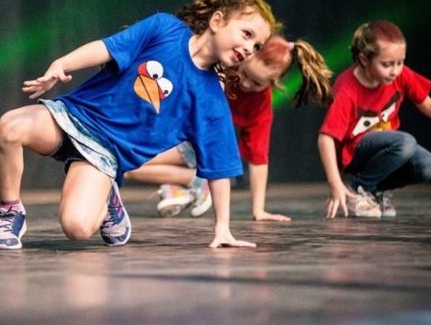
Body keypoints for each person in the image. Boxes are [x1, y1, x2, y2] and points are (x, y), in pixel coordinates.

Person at [0, 0, 279, 250]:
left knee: (76, 227)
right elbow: (107, 47)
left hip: (104, 154)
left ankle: (107, 201)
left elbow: (219, 167)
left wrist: (223, 228)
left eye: (257, 46)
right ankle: (10, 211)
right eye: (247, 34)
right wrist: (61, 64)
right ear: (217, 22)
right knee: (9, 128)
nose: (249, 49)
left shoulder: (212, 100)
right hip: (75, 116)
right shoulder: (164, 28)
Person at [124, 34, 334, 221]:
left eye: (256, 83)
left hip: (197, 144)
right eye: (245, 74)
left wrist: (258, 210)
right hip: (181, 131)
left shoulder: (260, 105)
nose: (246, 84)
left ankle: (197, 182)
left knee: (129, 165)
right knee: (128, 162)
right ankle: (182, 186)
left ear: (273, 83)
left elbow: (258, 158)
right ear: (246, 54)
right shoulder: (223, 64)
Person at [318, 19, 431, 219]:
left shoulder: (400, 76)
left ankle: (374, 190)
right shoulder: (347, 88)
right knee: (405, 142)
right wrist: (335, 182)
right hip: (356, 153)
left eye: (400, 63)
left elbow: (427, 103)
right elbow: (326, 137)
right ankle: (357, 190)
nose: (395, 70)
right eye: (387, 64)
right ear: (364, 60)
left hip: (385, 149)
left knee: (427, 166)